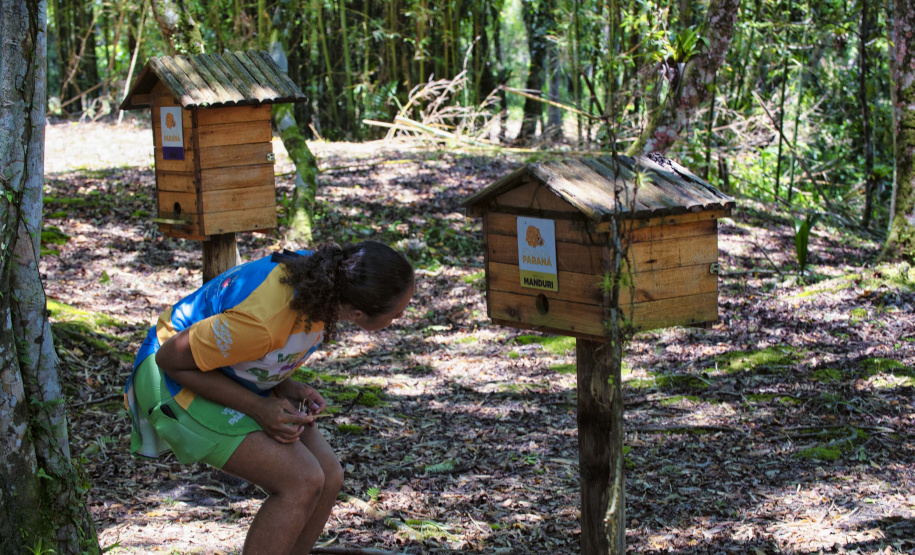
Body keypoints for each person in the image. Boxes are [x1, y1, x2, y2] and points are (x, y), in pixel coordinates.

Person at [124, 241, 415, 554]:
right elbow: (170, 359)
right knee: (300, 481)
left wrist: (284, 383)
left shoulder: (324, 278)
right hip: (169, 378)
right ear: (358, 312)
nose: (402, 317)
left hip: (219, 369)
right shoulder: (263, 323)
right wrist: (259, 407)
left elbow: (250, 350)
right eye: (397, 314)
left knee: (328, 476)